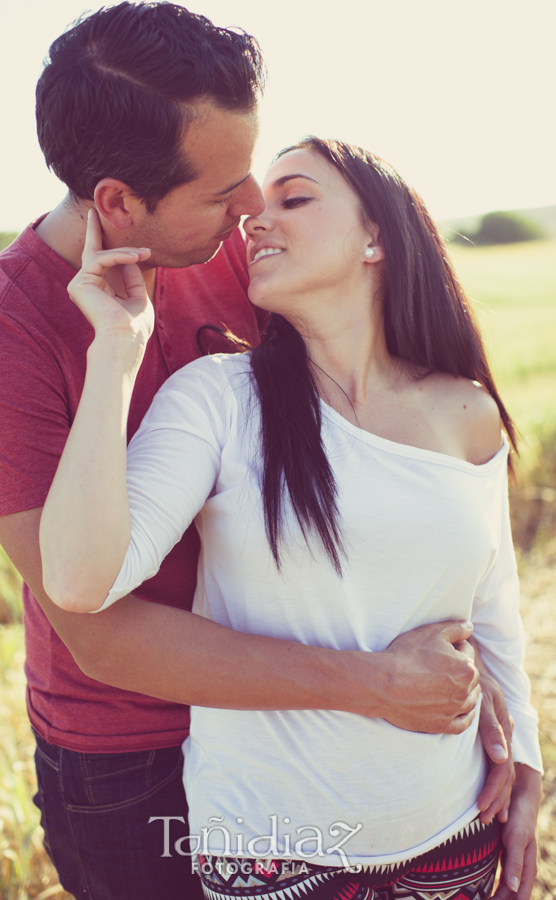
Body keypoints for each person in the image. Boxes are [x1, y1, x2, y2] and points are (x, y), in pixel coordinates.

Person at [0, 2, 516, 897]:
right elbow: (99, 632)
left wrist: (489, 710)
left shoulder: (236, 251)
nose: (253, 207)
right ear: (117, 203)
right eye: (224, 192)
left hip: (315, 719)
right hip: (130, 758)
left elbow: (401, 471)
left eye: (255, 176)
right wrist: (377, 685)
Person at [40, 138, 542, 900]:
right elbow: (81, 581)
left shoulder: (464, 410)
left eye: (293, 199)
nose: (255, 221)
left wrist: (529, 763)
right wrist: (118, 347)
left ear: (376, 237)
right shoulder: (217, 398)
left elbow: (490, 606)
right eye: (255, 205)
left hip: (454, 830)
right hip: (275, 853)